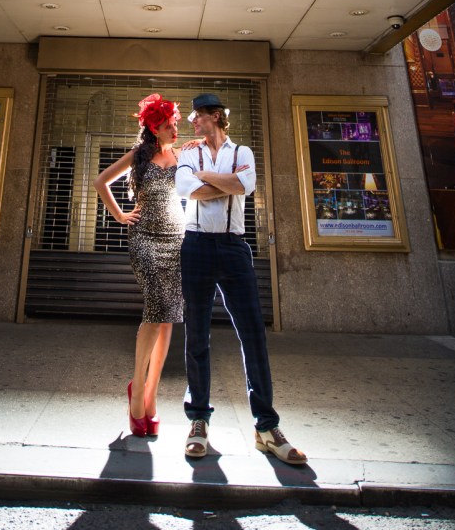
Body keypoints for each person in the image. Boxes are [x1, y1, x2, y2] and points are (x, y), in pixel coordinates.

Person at [175, 93, 308, 466]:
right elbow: (188, 190)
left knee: (253, 335)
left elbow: (245, 187)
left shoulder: (243, 152)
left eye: (198, 117)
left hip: (234, 248)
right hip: (196, 245)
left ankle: (266, 428)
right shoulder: (188, 154)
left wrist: (208, 179)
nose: (192, 123)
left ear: (216, 117)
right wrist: (221, 182)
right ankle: (198, 421)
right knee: (197, 336)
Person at [93, 92, 186, 437]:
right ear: (152, 128)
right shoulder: (139, 156)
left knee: (169, 319)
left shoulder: (182, 153)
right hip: (145, 238)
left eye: (174, 123)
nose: (173, 129)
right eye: (166, 126)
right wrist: (119, 214)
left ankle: (151, 397)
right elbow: (100, 181)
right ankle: (136, 391)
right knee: (155, 310)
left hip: (177, 238)